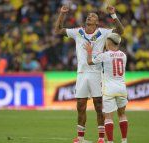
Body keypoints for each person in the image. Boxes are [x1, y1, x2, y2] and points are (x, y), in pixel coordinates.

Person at [54, 4, 124, 143]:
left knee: (99, 105)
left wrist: (113, 15)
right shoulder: (78, 32)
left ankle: (101, 138)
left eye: (93, 16)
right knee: (80, 105)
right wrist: (62, 14)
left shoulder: (103, 33)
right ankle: (80, 138)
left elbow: (120, 31)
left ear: (97, 22)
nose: (89, 16)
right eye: (89, 15)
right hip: (81, 73)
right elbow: (57, 30)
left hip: (97, 73)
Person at [85, 33, 128, 143]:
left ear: (108, 43)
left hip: (109, 89)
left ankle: (110, 141)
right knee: (122, 114)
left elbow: (89, 62)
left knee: (108, 117)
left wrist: (89, 52)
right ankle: (124, 140)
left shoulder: (105, 55)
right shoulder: (123, 55)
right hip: (122, 88)